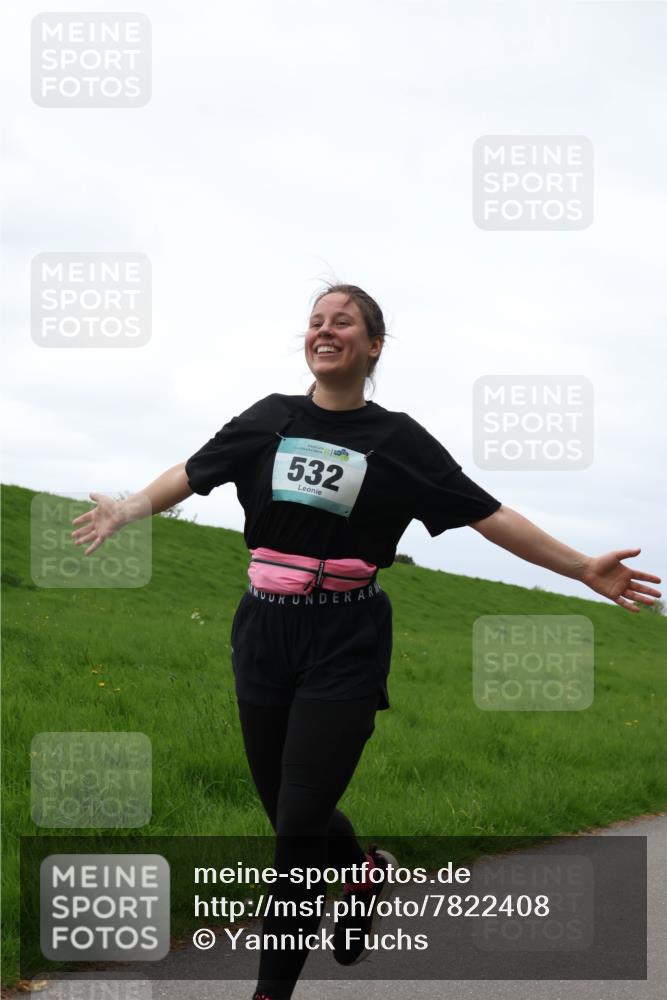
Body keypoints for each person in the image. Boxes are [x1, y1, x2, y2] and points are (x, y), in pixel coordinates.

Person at [71, 283, 662, 1000]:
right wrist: (128, 509)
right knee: (288, 808)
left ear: (372, 344)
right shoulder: (270, 419)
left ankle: (267, 994)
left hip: (345, 635)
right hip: (263, 630)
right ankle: (360, 868)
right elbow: (193, 472)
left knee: (294, 831)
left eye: (342, 322)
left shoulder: (398, 440)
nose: (324, 330)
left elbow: (486, 513)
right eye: (315, 322)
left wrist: (578, 568)